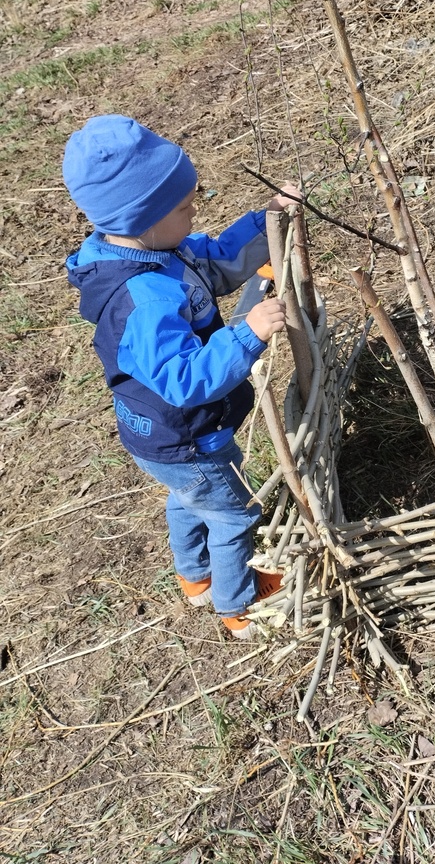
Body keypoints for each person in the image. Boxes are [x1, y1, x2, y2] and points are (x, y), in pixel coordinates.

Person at [63, 115, 300, 639]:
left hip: (163, 441)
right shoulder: (142, 298)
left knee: (188, 496)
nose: (195, 212)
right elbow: (184, 379)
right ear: (143, 216)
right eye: (184, 206)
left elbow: (213, 265)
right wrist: (247, 335)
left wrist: (267, 223)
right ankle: (237, 604)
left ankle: (194, 578)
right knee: (233, 513)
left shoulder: (158, 250)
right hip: (187, 434)